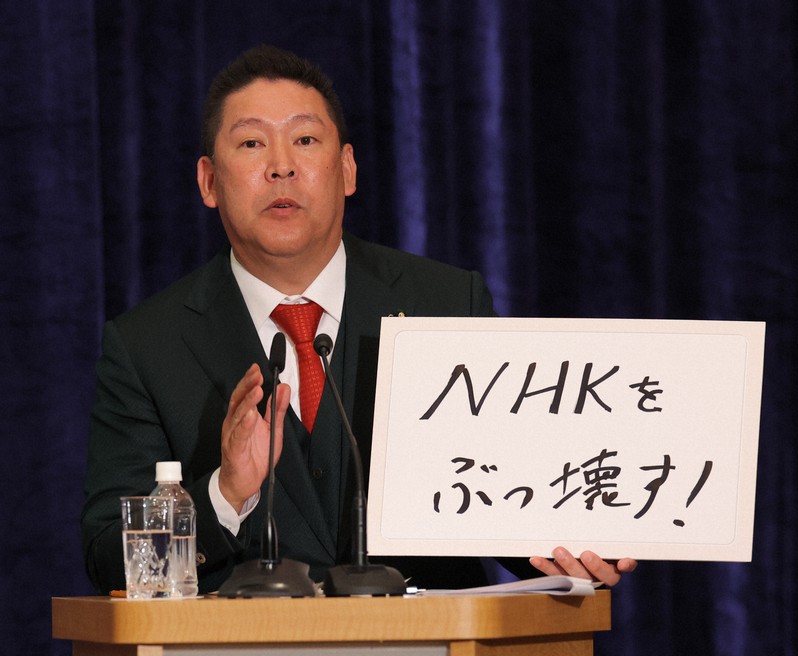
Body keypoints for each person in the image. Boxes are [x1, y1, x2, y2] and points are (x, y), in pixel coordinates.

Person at [81, 44, 637, 594]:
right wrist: (225, 493)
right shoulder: (148, 345)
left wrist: (573, 545)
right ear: (208, 181)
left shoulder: (445, 301)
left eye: (305, 140)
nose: (281, 166)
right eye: (252, 143)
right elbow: (110, 556)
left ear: (347, 169)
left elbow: (508, 496)